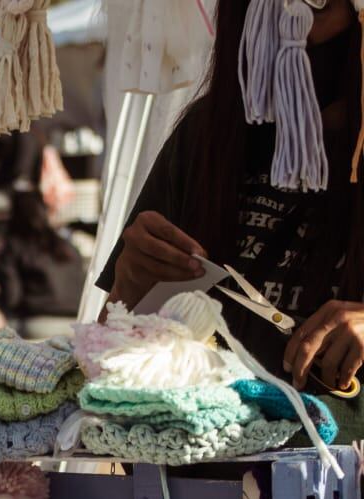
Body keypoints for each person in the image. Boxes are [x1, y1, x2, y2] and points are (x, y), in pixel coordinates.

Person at [97, 0, 364, 437]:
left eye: (320, 4)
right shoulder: (206, 138)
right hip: (204, 482)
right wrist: (129, 288)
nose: (298, 31)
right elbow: (107, 363)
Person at [0, 189, 85, 325]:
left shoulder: (15, 247)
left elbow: (12, 297)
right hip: (77, 321)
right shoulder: (67, 245)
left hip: (36, 321)